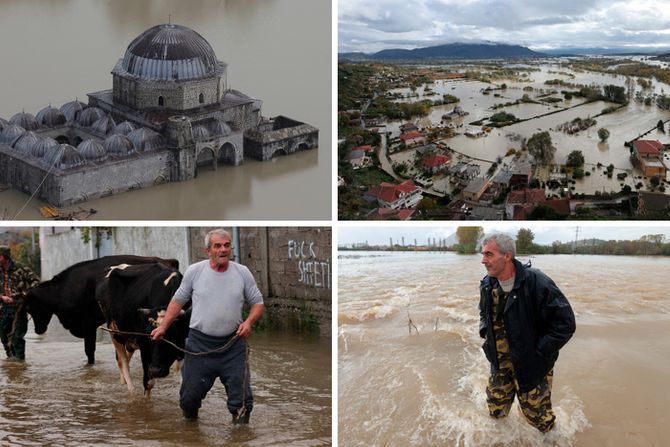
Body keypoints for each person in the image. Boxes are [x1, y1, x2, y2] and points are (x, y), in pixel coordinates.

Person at [150, 229, 265, 424]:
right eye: (218, 246)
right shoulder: (196, 271)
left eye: (227, 245)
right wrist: (163, 327)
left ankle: (240, 438)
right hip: (199, 347)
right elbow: (178, 301)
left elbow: (258, 303)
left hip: (233, 346)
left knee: (243, 403)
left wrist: (248, 322)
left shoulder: (242, 272)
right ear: (208, 250)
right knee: (188, 400)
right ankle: (192, 433)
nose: (223, 250)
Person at [478, 233, 575, 433]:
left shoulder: (537, 282)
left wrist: (539, 354)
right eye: (483, 254)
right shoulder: (488, 283)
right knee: (496, 410)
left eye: (489, 254)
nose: (483, 260)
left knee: (539, 418)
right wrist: (485, 330)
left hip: (531, 365)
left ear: (507, 256)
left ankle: (553, 441)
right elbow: (483, 311)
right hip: (499, 361)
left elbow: (565, 324)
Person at [0, 245, 40, 361]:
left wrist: (22, 295)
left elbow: (36, 283)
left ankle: (20, 365)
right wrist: (2, 297)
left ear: (5, 257)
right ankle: (11, 364)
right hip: (3, 309)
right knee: (4, 337)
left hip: (19, 308)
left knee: (17, 338)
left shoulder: (21, 269)